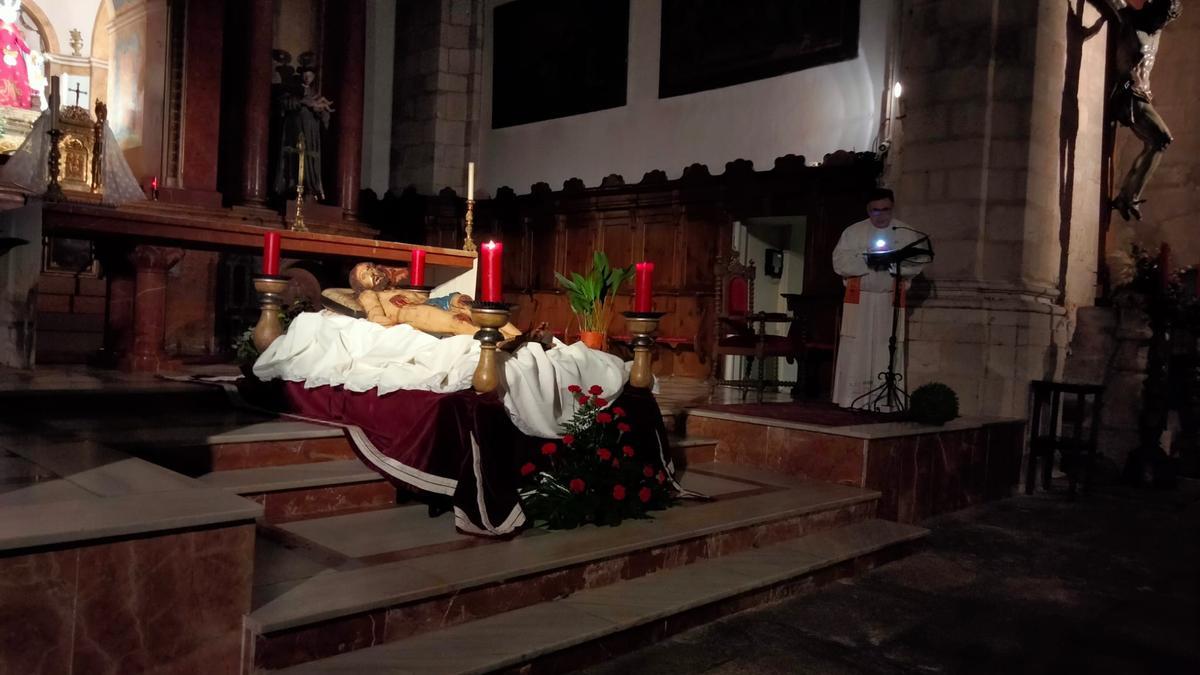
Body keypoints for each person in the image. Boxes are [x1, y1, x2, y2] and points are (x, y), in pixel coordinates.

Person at [830, 188, 927, 410]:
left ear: (892, 208)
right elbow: (839, 262)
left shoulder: (905, 232)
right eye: (875, 211)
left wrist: (893, 261)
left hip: (888, 302)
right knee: (856, 347)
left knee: (888, 346)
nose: (881, 215)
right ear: (868, 210)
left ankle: (886, 400)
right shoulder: (853, 232)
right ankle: (852, 398)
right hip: (861, 300)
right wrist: (868, 261)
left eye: (885, 210)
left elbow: (917, 262)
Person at [1098, 0, 1182, 221]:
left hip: (1142, 94)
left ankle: (1127, 195)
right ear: (1151, 9)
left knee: (1157, 142)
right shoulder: (1130, 19)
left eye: (1167, 20)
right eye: (1161, 17)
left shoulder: (1157, 32)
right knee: (1162, 138)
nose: (1161, 24)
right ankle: (1129, 196)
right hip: (1127, 90)